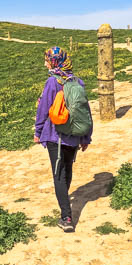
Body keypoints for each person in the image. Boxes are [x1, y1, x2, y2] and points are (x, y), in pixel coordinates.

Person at [34, 46, 93, 232]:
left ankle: (66, 217)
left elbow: (43, 110)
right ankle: (65, 202)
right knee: (67, 171)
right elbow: (85, 112)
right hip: (74, 136)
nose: (45, 63)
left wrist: (38, 132)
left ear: (54, 62)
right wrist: (86, 136)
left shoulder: (52, 82)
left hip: (56, 136)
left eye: (47, 60)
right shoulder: (78, 81)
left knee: (58, 175)